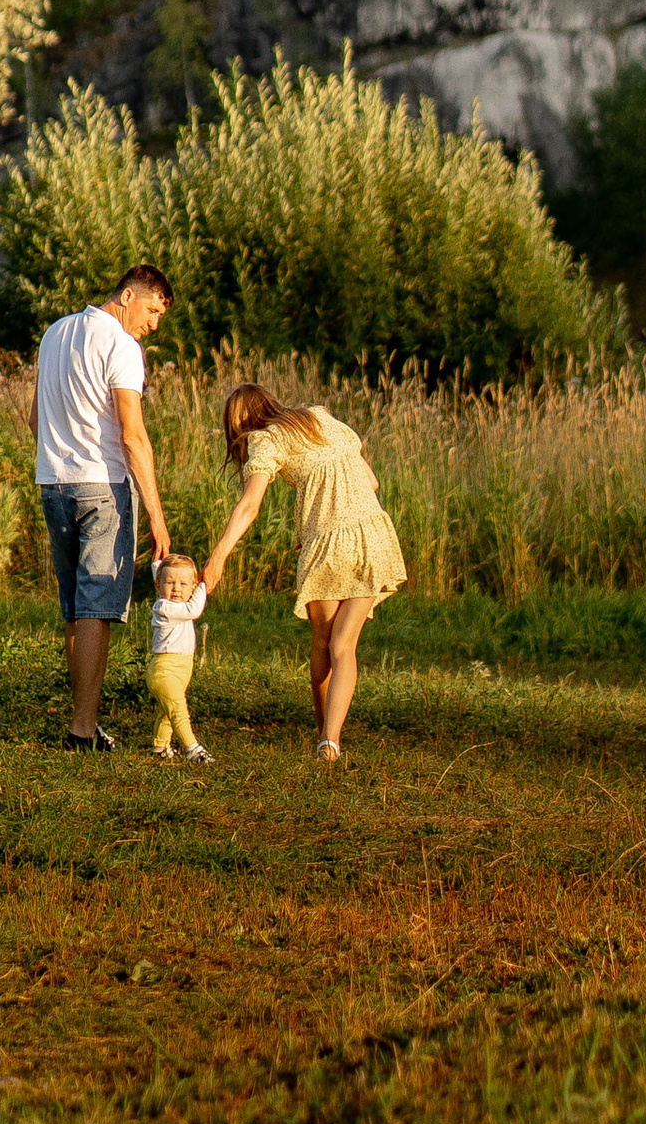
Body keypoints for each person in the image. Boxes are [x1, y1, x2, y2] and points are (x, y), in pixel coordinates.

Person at [198, 383, 406, 764]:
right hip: (373, 536)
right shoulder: (321, 417)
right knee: (344, 646)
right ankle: (330, 742)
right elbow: (371, 481)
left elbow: (249, 505)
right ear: (271, 403)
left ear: (240, 424)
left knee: (324, 643)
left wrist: (218, 557)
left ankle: (324, 736)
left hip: (327, 545)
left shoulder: (265, 438)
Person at [32, 264, 174, 752]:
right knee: (96, 607)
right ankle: (82, 731)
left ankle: (83, 723)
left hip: (53, 483)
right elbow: (132, 435)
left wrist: (60, 459)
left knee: (75, 608)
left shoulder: (55, 333)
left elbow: (35, 417)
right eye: (152, 310)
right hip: (103, 487)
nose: (153, 324)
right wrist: (156, 515)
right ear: (128, 294)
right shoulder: (121, 345)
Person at [146, 553, 212, 764]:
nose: (176, 588)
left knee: (167, 711)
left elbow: (159, 569)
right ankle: (192, 748)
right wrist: (203, 585)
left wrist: (158, 559)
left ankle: (160, 746)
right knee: (178, 710)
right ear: (158, 586)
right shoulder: (164, 607)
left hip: (182, 668)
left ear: (190, 588)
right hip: (164, 670)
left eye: (184, 584)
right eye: (170, 582)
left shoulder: (174, 604)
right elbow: (193, 610)